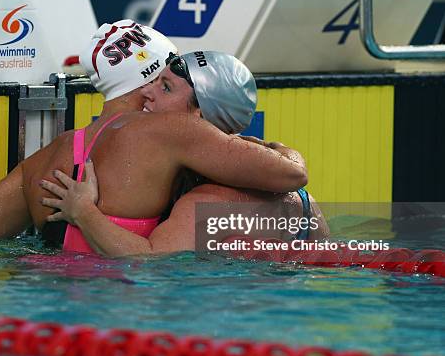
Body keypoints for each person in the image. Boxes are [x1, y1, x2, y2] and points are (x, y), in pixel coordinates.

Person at [0, 21, 308, 251]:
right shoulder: (174, 131)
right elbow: (290, 175)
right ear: (151, 78)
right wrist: (279, 148)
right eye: (166, 78)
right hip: (123, 304)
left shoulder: (48, 157)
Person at [40, 51, 329, 256]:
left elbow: (147, 260)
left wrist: (83, 212)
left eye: (165, 87)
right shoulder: (301, 198)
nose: (148, 93)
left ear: (198, 117)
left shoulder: (204, 203)